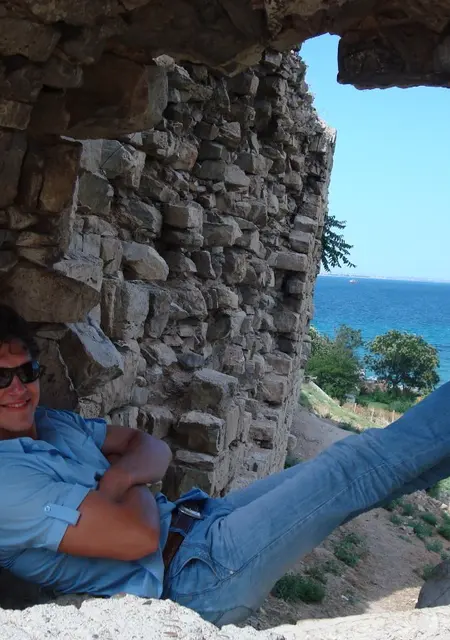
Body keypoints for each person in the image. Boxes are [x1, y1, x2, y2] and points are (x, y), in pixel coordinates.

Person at [0, 304, 449, 627]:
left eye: (27, 372)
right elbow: (137, 537)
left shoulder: (52, 423)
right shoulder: (6, 483)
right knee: (351, 467)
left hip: (200, 522)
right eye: (1, 377)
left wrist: (121, 476)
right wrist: (134, 475)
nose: (18, 389)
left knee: (361, 474)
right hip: (194, 578)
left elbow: (150, 447)